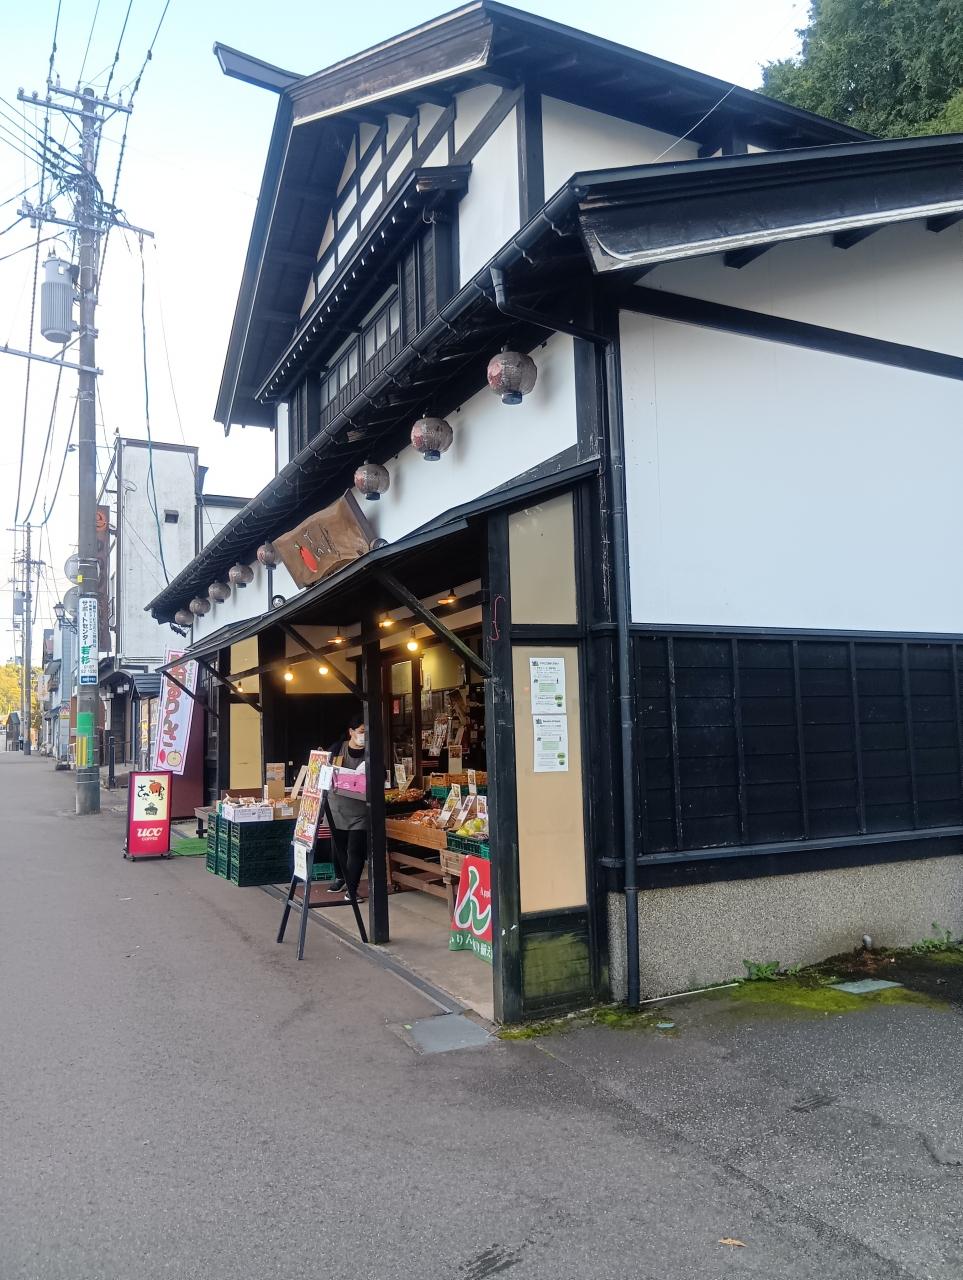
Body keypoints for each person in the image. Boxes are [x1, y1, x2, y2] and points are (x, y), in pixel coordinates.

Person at [324, 710, 368, 900]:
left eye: (367, 732)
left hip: (360, 810)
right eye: (361, 731)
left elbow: (381, 775)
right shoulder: (337, 749)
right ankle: (341, 877)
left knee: (355, 850)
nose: (364, 736)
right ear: (351, 731)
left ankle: (352, 888)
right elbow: (324, 770)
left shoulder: (371, 752)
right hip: (337, 807)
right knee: (338, 848)